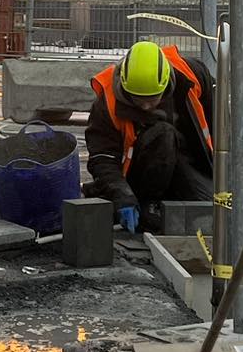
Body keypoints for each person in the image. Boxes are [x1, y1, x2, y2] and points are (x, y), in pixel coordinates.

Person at [83, 40, 216, 233]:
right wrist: (122, 195)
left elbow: (220, 127)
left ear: (166, 83)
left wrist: (223, 178)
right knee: (163, 134)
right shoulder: (107, 102)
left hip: (186, 160)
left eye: (152, 99)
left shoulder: (192, 76)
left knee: (208, 211)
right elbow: (102, 158)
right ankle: (149, 205)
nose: (145, 106)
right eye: (138, 99)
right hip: (140, 176)